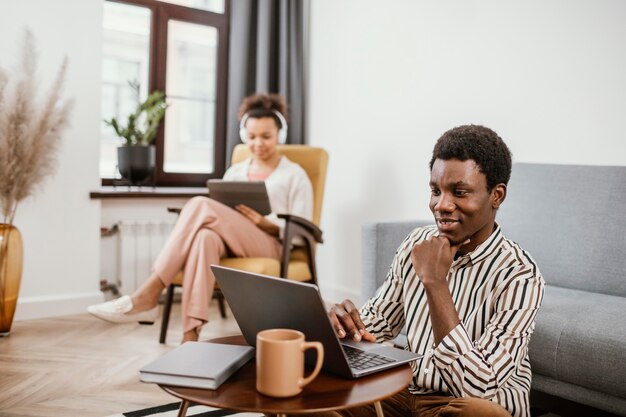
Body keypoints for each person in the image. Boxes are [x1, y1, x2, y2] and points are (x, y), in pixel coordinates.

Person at [328, 125, 544, 417]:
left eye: (459, 192)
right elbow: (377, 324)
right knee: (308, 394)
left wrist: (435, 282)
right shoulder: (416, 242)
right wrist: (343, 328)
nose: (441, 205)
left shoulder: (520, 275)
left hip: (463, 404)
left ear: (497, 195)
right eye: (435, 190)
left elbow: (478, 387)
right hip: (404, 394)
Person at [88, 93, 313, 343]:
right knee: (204, 237)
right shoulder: (235, 172)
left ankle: (149, 293)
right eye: (251, 137)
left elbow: (304, 226)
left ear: (280, 136)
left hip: (272, 244)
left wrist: (267, 223)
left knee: (199, 204)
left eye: (266, 136)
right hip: (231, 242)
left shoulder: (295, 174)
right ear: (243, 136)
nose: (258, 143)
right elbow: (220, 212)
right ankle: (190, 338)